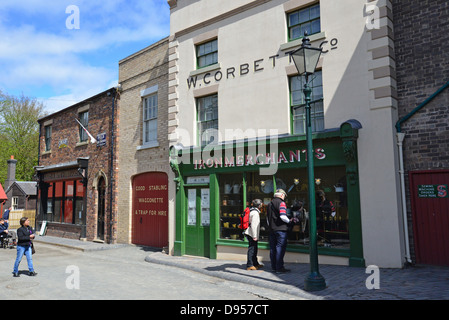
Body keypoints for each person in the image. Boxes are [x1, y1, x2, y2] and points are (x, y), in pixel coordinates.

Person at [267, 189, 293, 274]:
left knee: (273, 249)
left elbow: (268, 219)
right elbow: (283, 216)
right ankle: (279, 268)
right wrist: (289, 221)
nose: (284, 198)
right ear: (282, 195)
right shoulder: (282, 203)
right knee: (280, 249)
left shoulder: (269, 204)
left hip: (272, 229)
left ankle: (274, 267)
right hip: (280, 229)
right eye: (284, 196)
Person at [244, 199, 263, 271]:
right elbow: (254, 225)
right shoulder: (255, 213)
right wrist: (255, 236)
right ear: (259, 205)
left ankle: (255, 263)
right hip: (251, 233)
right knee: (252, 249)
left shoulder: (252, 211)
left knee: (254, 248)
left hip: (249, 232)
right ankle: (250, 265)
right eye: (261, 204)